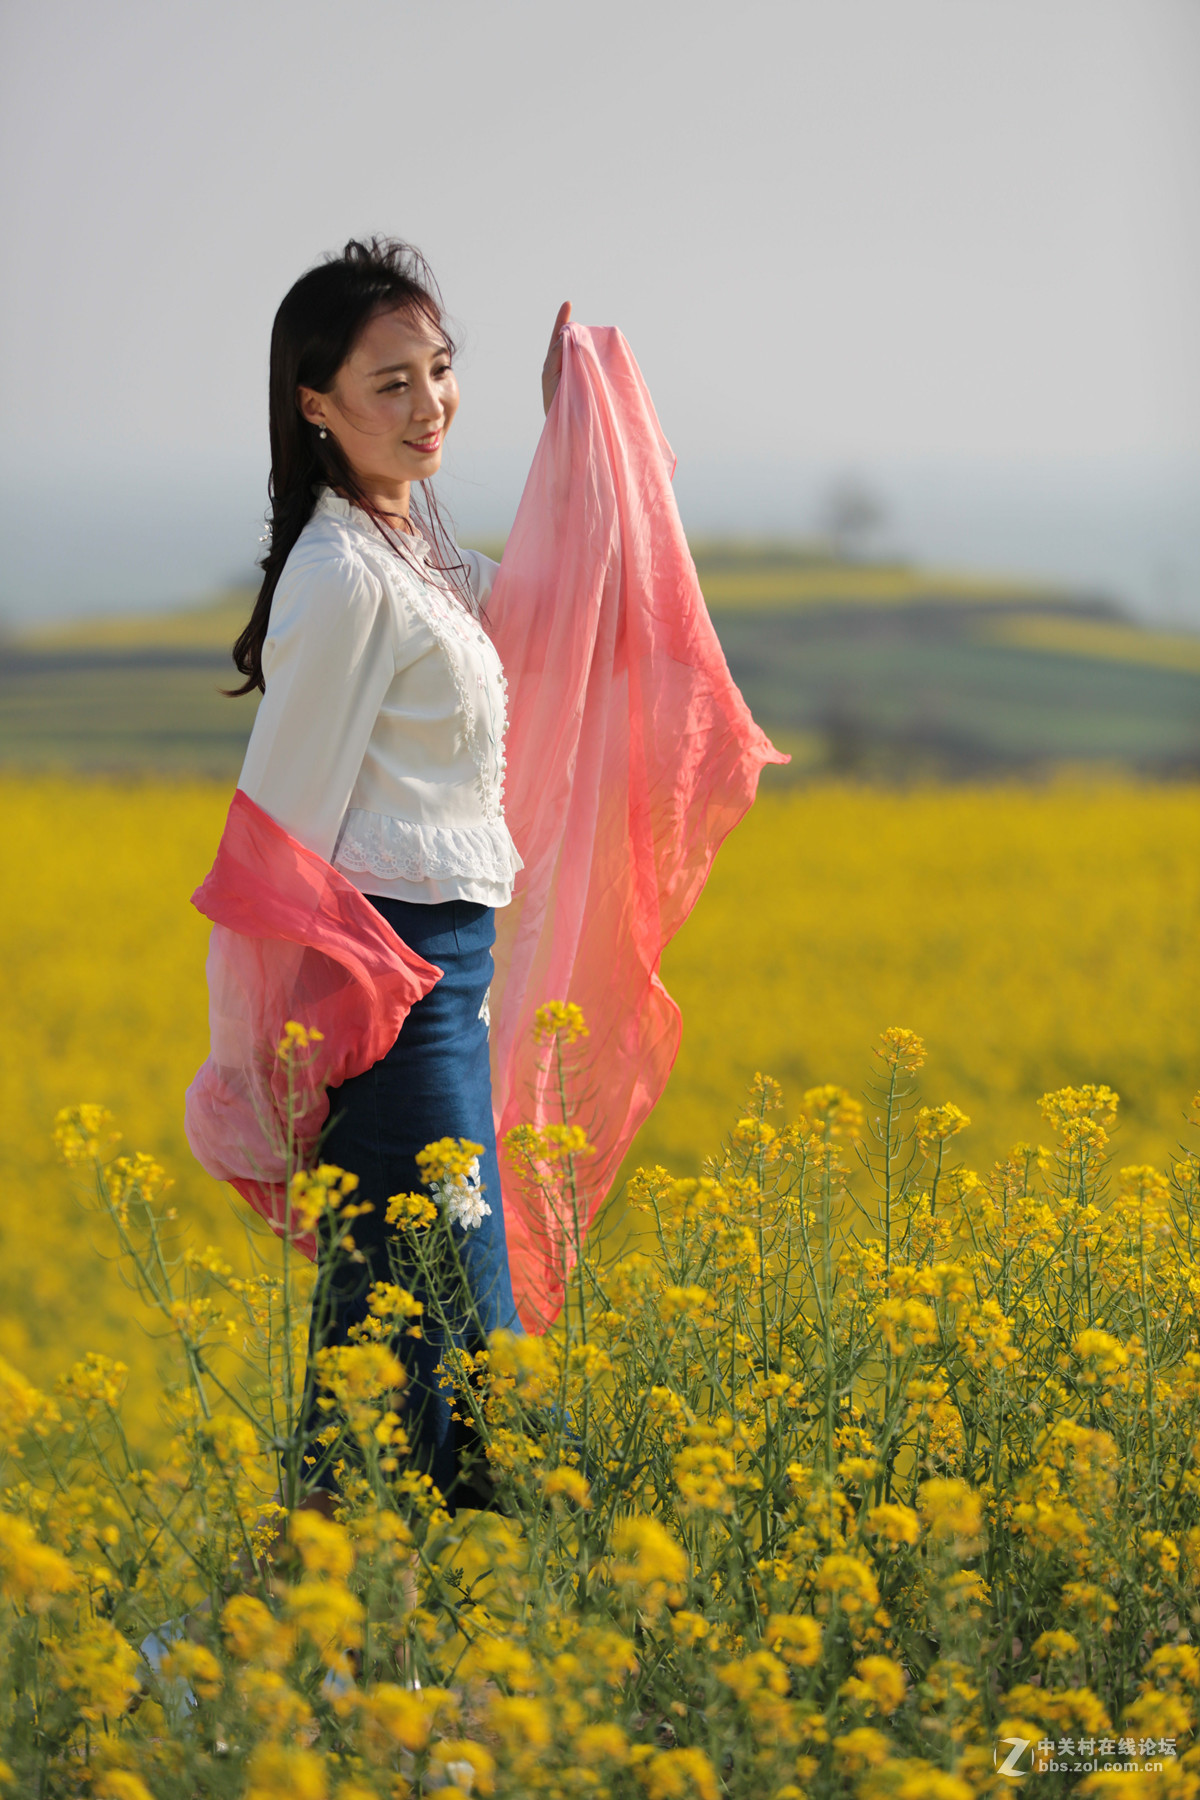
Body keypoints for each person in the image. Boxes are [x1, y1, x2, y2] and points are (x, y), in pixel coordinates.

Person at [226, 238, 567, 1510]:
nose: (428, 407)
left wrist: (569, 433)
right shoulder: (341, 575)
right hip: (394, 983)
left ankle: (349, 1644)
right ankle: (420, 1628)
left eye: (440, 372)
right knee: (454, 1317)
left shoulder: (410, 541)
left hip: (446, 977)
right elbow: (276, 837)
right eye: (390, 385)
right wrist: (265, 1052)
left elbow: (530, 607)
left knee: (396, 1320)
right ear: (317, 405)